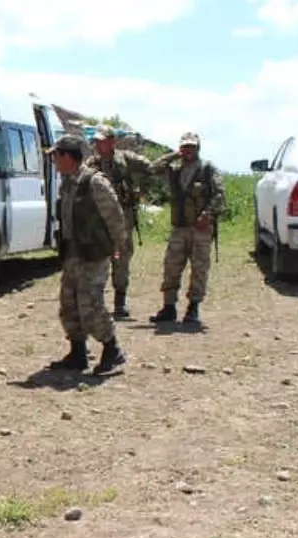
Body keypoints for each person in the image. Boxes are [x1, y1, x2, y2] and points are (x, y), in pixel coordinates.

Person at [46, 134, 128, 374]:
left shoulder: (94, 182)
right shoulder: (66, 182)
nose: (53, 161)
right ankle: (78, 354)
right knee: (69, 304)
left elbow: (115, 216)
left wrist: (118, 247)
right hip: (73, 253)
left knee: (90, 305)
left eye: (56, 156)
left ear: (67, 156)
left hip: (93, 254)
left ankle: (113, 350)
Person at [147, 132, 225, 328]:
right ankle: (169, 307)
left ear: (198, 148)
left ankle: (193, 308)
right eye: (185, 147)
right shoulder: (174, 169)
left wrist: (207, 214)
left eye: (192, 146)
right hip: (179, 227)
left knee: (199, 269)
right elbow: (152, 169)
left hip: (200, 229)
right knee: (171, 267)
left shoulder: (207, 169)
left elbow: (220, 195)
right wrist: (173, 155)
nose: (188, 150)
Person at [87, 125, 153, 319]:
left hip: (122, 217)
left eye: (102, 141)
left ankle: (119, 302)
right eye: (96, 142)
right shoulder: (92, 163)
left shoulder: (126, 159)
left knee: (121, 258)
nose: (99, 145)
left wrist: (142, 191)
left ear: (112, 142)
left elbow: (151, 168)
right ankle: (95, 302)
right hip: (98, 218)